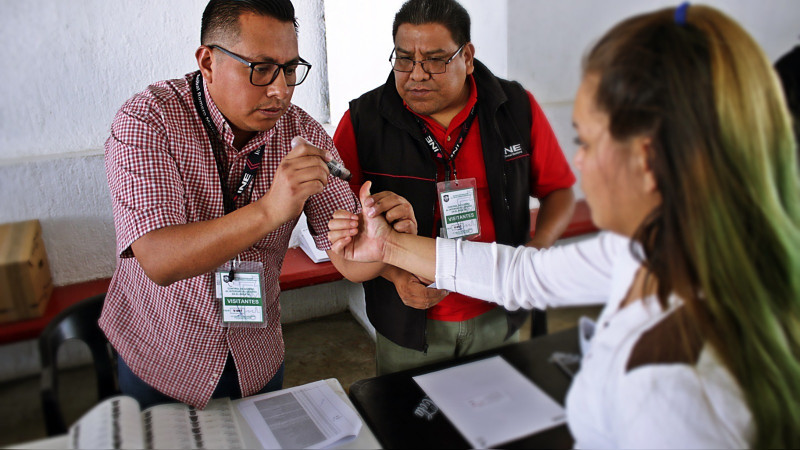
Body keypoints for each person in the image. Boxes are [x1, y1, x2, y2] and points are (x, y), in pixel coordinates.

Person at [329, 3, 800, 448]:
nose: (577, 161)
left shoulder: (673, 387)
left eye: (587, 142)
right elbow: (518, 275)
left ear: (647, 161)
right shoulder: (648, 251)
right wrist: (389, 246)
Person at [100, 0, 363, 409]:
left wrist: (379, 235)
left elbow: (348, 257)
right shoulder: (149, 120)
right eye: (261, 69)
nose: (280, 90)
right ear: (208, 62)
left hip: (256, 358)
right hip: (163, 360)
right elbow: (158, 259)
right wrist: (270, 210)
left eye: (290, 70)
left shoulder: (302, 132)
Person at [333, 0, 576, 375]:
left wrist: (536, 254)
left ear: (468, 57)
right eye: (404, 59)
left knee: (498, 417)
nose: (416, 75)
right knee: (410, 426)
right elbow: (345, 234)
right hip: (410, 320)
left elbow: (559, 190)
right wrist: (395, 275)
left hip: (498, 309)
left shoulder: (514, 109)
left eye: (434, 60)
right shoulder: (363, 122)